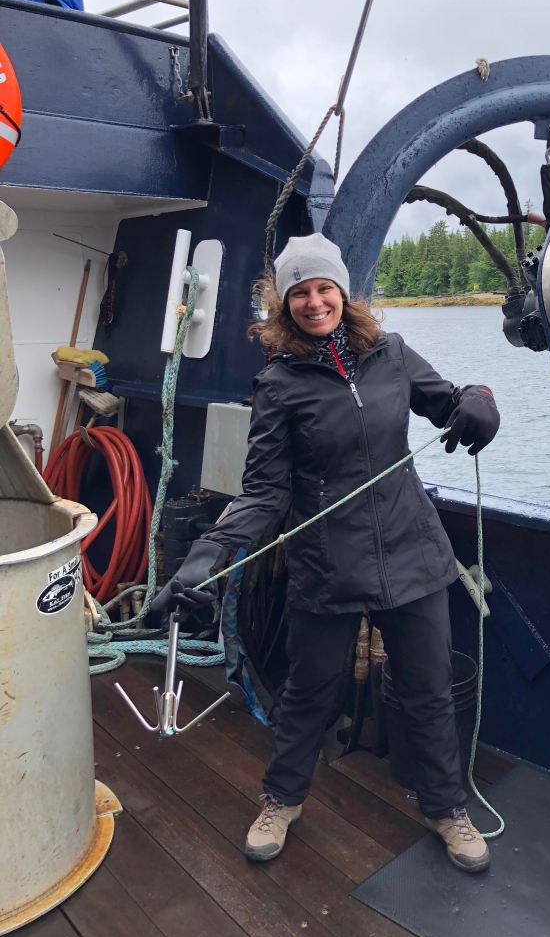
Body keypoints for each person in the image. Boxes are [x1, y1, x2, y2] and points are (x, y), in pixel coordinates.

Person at [151, 232, 500, 873]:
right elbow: (263, 493)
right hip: (326, 563)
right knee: (309, 691)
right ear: (283, 306)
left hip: (410, 551)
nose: (314, 302)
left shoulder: (393, 354)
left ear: (343, 292)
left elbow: (450, 401)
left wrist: (479, 400)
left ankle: (447, 808)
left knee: (427, 691)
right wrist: (209, 552)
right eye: (300, 293)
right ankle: (281, 801)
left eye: (324, 288)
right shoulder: (279, 385)